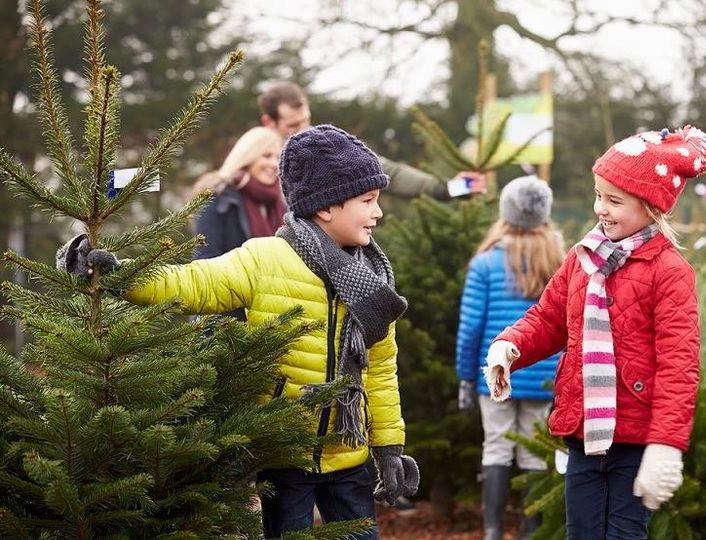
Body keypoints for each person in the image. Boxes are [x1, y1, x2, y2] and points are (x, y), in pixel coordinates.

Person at [58, 125, 420, 539]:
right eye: (368, 201)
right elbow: (192, 283)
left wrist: (389, 449)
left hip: (349, 455)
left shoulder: (374, 281)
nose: (378, 213)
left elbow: (379, 371)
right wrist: (122, 275)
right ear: (326, 207)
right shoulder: (266, 258)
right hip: (284, 457)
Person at [485, 126, 706, 539]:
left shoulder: (670, 272)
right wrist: (511, 344)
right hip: (583, 433)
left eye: (614, 200)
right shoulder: (582, 259)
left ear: (651, 207)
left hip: (635, 438)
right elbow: (549, 317)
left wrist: (666, 444)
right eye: (598, 195)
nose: (601, 209)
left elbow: (678, 364)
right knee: (583, 532)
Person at [456, 175, 565, 540]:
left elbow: (471, 327)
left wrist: (467, 377)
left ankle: (492, 532)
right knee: (534, 454)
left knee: (497, 447)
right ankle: (531, 532)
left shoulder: (486, 263)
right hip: (543, 374)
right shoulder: (558, 260)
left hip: (496, 371)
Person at [258, 81, 486, 200]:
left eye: (306, 121)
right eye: (293, 127)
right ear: (269, 122)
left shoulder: (327, 151)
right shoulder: (255, 162)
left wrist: (451, 188)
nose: (303, 131)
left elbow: (389, 173)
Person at [190, 126, 285, 320]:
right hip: (221, 322)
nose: (274, 164)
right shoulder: (219, 198)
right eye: (266, 156)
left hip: (268, 322)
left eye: (278, 158)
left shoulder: (281, 206)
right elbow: (205, 262)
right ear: (248, 156)